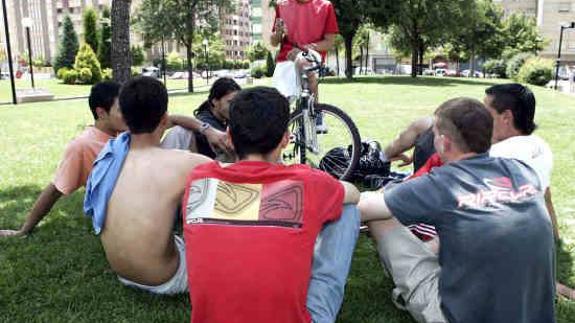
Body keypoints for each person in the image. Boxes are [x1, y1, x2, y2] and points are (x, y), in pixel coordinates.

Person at [359, 98, 555, 323]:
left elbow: (365, 209)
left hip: (460, 316)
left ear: (443, 142)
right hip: (532, 314)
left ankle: (410, 291)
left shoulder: (443, 183)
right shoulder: (522, 172)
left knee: (379, 215)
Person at [182, 87, 360, 323]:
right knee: (348, 210)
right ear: (286, 139)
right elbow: (354, 194)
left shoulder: (200, 180)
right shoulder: (307, 182)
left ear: (230, 136)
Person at [83, 77, 210, 295]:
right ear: (164, 119)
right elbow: (241, 176)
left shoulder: (108, 155)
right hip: (165, 278)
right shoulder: (186, 163)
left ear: (124, 117)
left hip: (123, 273)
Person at [0, 81, 126, 237]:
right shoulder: (82, 146)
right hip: (119, 217)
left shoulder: (126, 133)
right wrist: (23, 230)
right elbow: (54, 191)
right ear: (101, 113)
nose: (131, 114)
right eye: (122, 110)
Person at [270, 0, 338, 101]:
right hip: (286, 59)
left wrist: (303, 50)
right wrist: (278, 33)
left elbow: (329, 42)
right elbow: (274, 42)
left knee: (303, 62)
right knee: (278, 104)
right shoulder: (282, 5)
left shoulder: (325, 6)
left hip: (311, 56)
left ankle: (314, 112)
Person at [161, 77, 240, 161]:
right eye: (230, 102)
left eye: (237, 102)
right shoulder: (206, 121)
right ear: (215, 101)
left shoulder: (225, 119)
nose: (235, 107)